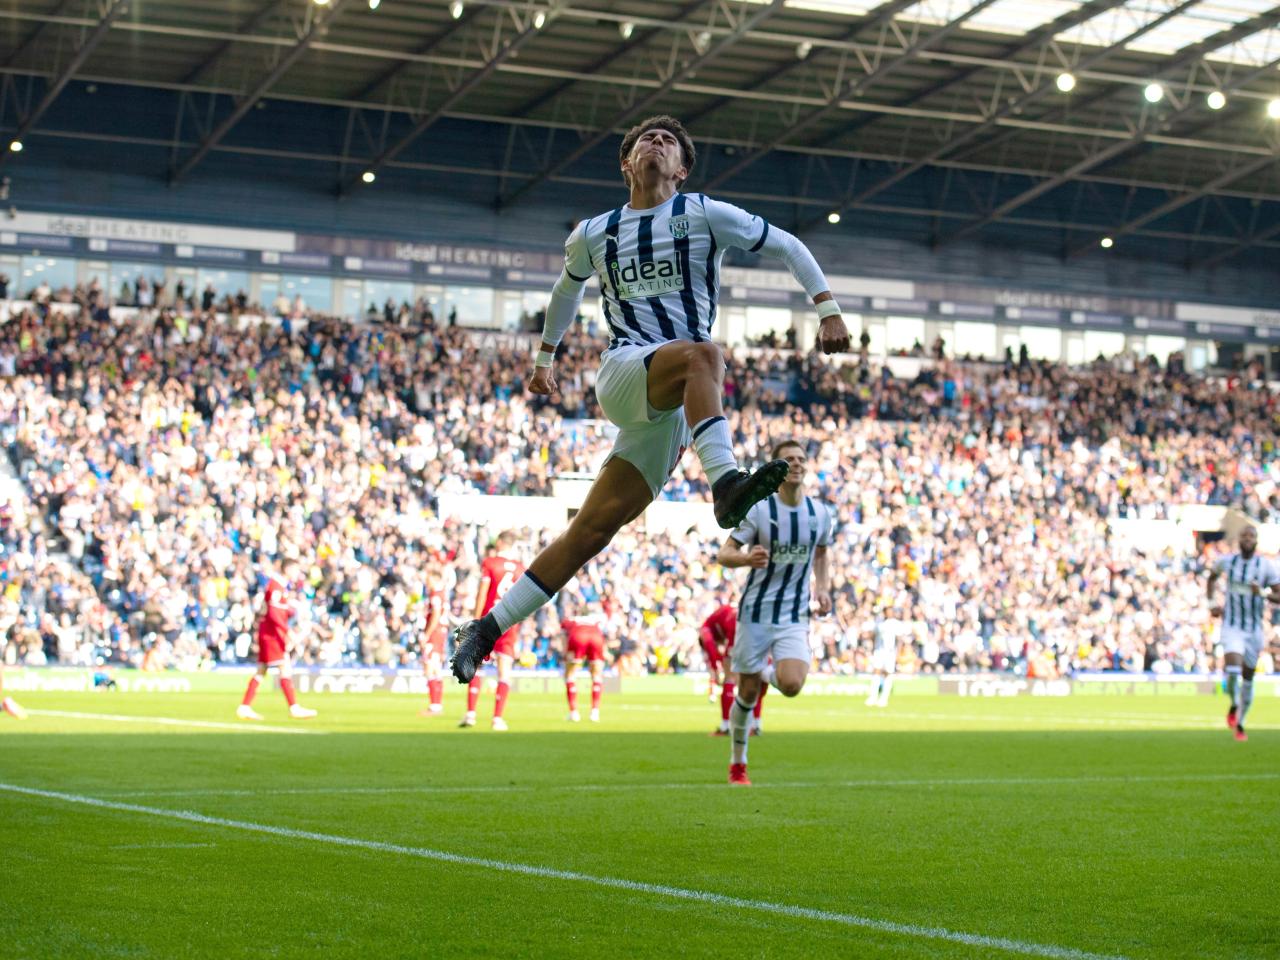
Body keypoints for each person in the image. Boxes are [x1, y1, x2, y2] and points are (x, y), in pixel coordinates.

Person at [451, 115, 850, 683]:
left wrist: (827, 305)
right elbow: (567, 289)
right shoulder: (596, 231)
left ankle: (484, 630)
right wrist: (544, 359)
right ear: (626, 163)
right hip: (625, 370)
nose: (656, 145)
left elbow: (786, 244)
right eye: (647, 140)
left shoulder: (704, 214)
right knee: (707, 354)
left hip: (672, 408)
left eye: (668, 142)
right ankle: (725, 484)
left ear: (681, 170)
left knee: (589, 533)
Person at [716, 439, 834, 785]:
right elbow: (725, 554)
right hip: (755, 613)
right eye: (788, 460)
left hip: (794, 615)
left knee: (793, 684)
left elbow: (822, 554)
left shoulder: (820, 514)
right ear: (776, 469)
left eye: (800, 458)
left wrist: (824, 587)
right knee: (748, 694)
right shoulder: (759, 510)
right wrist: (745, 558)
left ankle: (766, 672)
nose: (796, 464)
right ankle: (738, 763)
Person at [1207, 525, 1277, 742]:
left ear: (1256, 541)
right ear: (1239, 539)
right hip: (1232, 626)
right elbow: (1212, 578)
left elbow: (1278, 595)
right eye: (1244, 535)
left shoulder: (1266, 566)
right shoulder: (1228, 561)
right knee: (1233, 670)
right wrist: (1212, 604)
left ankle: (1241, 722)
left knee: (1248, 678)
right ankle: (1235, 704)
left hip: (1254, 630)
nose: (1248, 539)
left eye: (1252, 536)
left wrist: (1263, 592)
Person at [460, 532, 523, 730]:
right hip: (510, 622)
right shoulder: (521, 569)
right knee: (504, 671)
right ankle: (497, 718)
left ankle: (471, 714)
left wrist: (475, 619)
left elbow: (483, 592)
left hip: (489, 618)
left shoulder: (490, 563)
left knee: (475, 665)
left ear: (501, 542)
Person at [237, 567, 317, 721]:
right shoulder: (276, 586)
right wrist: (287, 631)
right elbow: (273, 614)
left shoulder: (279, 587)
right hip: (271, 634)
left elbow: (276, 611)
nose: (296, 574)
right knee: (283, 667)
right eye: (294, 570)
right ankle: (294, 707)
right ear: (287, 569)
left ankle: (244, 707)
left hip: (269, 632)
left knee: (262, 670)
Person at [701, 599, 765, 736]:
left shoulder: (706, 627)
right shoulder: (726, 612)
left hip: (736, 627)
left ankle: (726, 727)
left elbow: (711, 646)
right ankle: (756, 724)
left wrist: (715, 669)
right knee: (756, 676)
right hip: (755, 626)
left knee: (729, 678)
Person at [561, 600, 609, 722]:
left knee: (570, 675)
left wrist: (565, 652)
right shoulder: (595, 620)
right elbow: (602, 634)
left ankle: (574, 713)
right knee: (597, 676)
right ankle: (595, 712)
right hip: (596, 639)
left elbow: (563, 635)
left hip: (578, 637)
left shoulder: (571, 620)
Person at [418, 568, 449, 717]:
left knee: (429, 667)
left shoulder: (435, 595)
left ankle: (434, 706)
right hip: (441, 633)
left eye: (428, 579)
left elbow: (435, 615)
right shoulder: (443, 594)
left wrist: (426, 634)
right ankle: (436, 705)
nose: (426, 582)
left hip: (435, 634)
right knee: (436, 668)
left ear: (435, 579)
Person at [866, 614, 904, 708]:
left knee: (888, 673)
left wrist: (898, 653)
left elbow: (899, 639)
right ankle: (873, 697)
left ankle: (884, 698)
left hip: (890, 652)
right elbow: (873, 636)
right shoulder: (879, 622)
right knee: (876, 672)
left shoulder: (895, 623)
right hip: (879, 651)